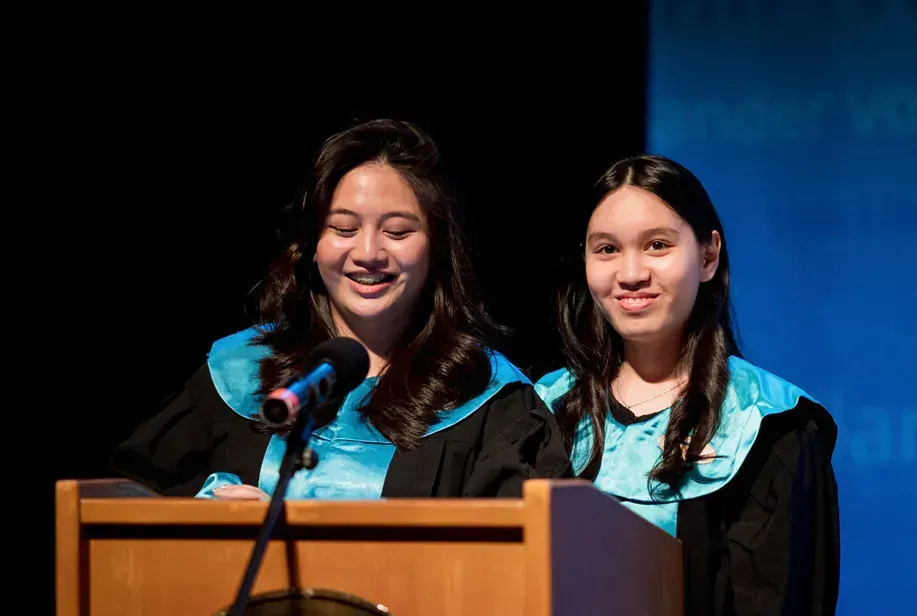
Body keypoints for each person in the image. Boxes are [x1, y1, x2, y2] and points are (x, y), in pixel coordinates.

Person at [108, 119, 571, 500]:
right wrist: (204, 516)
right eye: (343, 229)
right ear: (312, 245)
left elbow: (522, 565)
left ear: (435, 251)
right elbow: (124, 509)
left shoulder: (489, 398)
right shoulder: (238, 373)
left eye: (397, 231)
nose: (368, 252)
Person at [534, 155, 840, 616]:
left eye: (657, 245)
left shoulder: (768, 424)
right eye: (607, 249)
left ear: (707, 255)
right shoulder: (542, 413)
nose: (631, 273)